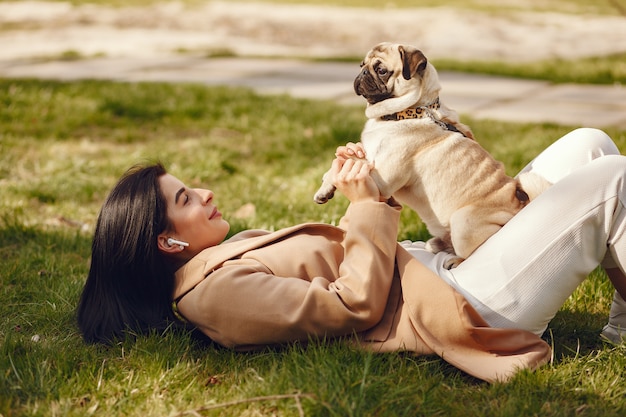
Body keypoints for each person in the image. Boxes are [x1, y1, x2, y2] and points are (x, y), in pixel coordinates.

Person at [76, 128, 626, 383]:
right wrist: (365, 206)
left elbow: (348, 258)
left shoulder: (222, 256)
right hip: (462, 304)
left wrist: (371, 189)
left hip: (449, 265)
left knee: (589, 144)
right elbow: (355, 306)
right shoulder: (214, 296)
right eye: (185, 199)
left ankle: (620, 329)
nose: (205, 192)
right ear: (168, 243)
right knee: (613, 178)